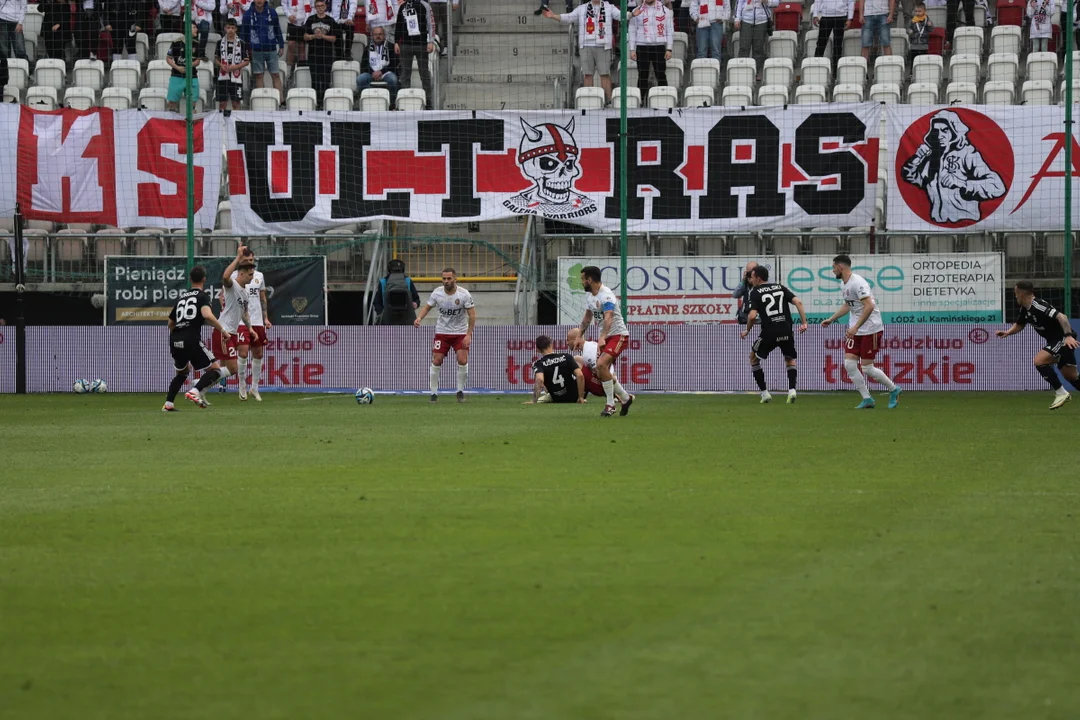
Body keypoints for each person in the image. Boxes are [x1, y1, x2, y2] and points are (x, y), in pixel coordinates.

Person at [820, 254, 902, 409]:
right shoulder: (844, 284)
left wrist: (856, 326)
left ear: (840, 267)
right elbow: (848, 305)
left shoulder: (857, 282)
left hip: (871, 329)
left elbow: (869, 306)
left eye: (833, 267)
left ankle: (894, 389)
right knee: (849, 364)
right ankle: (867, 399)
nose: (832, 271)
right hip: (855, 329)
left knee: (867, 368)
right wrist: (832, 319)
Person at [997, 281, 1078, 409]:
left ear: (1021, 294)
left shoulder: (1038, 306)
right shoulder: (1025, 309)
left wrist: (1067, 336)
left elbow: (1062, 317)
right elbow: (1020, 324)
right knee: (1072, 377)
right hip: (1055, 341)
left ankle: (1061, 393)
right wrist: (1008, 332)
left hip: (1062, 339)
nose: (1015, 296)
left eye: (1016, 293)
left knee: (1039, 360)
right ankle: (1062, 392)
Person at [163, 264, 233, 411]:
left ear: (190, 279)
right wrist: (223, 330)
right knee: (216, 370)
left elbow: (170, 323)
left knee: (182, 372)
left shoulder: (181, 298)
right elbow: (207, 315)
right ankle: (195, 391)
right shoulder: (202, 296)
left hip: (174, 339)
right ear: (204, 279)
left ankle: (169, 403)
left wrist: (181, 331)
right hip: (190, 339)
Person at [740, 265, 808, 404]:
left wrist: (747, 330)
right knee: (789, 359)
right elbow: (798, 302)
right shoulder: (780, 287)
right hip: (786, 330)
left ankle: (765, 394)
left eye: (752, 277)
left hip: (769, 332)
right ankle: (792, 391)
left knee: (753, 358)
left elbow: (752, 316)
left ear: (758, 278)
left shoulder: (755, 291)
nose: (751, 280)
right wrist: (804, 323)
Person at [573, 265, 633, 417]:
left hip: (618, 335)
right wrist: (580, 335)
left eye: (582, 279)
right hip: (606, 336)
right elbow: (587, 317)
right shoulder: (590, 296)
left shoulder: (606, 295)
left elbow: (609, 317)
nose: (581, 282)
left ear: (590, 279)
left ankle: (610, 405)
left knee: (601, 365)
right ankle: (625, 398)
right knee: (601, 370)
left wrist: (602, 337)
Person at [413, 267, 475, 403]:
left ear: (455, 279)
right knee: (436, 360)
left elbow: (472, 315)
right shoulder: (437, 293)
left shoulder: (464, 294)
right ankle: (433, 394)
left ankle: (460, 391)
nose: (446, 281)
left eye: (449, 278)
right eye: (444, 279)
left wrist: (468, 334)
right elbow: (427, 307)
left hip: (460, 333)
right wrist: (419, 318)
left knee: (462, 360)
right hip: (442, 332)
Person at [543, 0, 622, 104]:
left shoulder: (609, 7)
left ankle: (610, 103)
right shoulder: (582, 8)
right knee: (588, 74)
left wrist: (633, 13)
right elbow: (569, 17)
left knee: (604, 74)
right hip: (586, 45)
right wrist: (553, 16)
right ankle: (590, 102)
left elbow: (621, 16)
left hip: (603, 45)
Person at [212, 249, 255, 398]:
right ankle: (200, 383)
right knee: (232, 368)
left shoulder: (245, 292)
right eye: (250, 274)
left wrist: (250, 328)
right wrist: (237, 258)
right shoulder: (231, 286)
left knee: (232, 368)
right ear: (241, 274)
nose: (252, 277)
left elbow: (244, 313)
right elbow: (225, 276)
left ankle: (200, 385)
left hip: (232, 331)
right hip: (223, 330)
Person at [566, 327, 634, 410]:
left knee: (577, 365)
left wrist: (613, 391)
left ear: (575, 339)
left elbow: (604, 372)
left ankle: (614, 400)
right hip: (608, 381)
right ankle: (624, 397)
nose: (567, 343)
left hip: (604, 385)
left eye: (568, 339)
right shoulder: (590, 346)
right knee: (577, 359)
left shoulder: (588, 352)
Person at [234, 249, 271, 401]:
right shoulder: (234, 275)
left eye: (251, 261)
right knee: (242, 353)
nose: (250, 263)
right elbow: (224, 297)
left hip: (257, 320)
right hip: (241, 320)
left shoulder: (259, 276)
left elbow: (262, 298)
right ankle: (241, 384)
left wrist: (266, 318)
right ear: (242, 260)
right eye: (247, 260)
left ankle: (254, 388)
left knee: (259, 354)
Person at [394, 0, 435, 109]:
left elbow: (431, 23)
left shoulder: (425, 5)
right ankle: (404, 100)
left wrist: (431, 41)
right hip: (405, 45)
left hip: (421, 45)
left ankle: (428, 100)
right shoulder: (402, 6)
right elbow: (398, 25)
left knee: (424, 73)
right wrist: (396, 42)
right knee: (405, 74)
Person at [629, 0, 673, 99]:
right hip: (642, 46)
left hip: (659, 46)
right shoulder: (636, 11)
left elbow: (670, 30)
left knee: (661, 74)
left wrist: (669, 48)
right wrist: (632, 49)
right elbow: (632, 31)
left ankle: (665, 99)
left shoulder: (664, 10)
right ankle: (640, 100)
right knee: (642, 75)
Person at [242, 0, 285, 100]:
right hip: (256, 50)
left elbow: (277, 29)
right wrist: (244, 51)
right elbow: (244, 35)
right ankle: (261, 102)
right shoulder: (247, 15)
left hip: (271, 49)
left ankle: (281, 101)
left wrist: (281, 45)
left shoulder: (272, 12)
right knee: (259, 76)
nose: (259, 1)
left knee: (275, 75)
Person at [530, 335, 587, 404]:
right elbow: (580, 375)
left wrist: (534, 401)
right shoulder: (566, 356)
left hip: (558, 398)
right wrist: (580, 397)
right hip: (574, 396)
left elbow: (539, 380)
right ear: (551, 345)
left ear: (537, 350)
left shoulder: (538, 364)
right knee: (580, 361)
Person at [304, 0, 339, 106]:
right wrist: (314, 36)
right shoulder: (310, 19)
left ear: (325, 6)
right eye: (317, 6)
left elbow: (334, 39)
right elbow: (305, 37)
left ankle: (325, 103)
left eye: (321, 5)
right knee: (314, 80)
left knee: (325, 81)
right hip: (313, 55)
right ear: (315, 7)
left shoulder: (331, 20)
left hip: (327, 55)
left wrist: (322, 36)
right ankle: (315, 103)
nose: (319, 8)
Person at [357, 26, 400, 104]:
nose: (378, 36)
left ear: (384, 35)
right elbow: (364, 64)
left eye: (380, 34)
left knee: (393, 80)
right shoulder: (367, 48)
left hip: (386, 72)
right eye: (375, 34)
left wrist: (381, 72)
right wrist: (372, 72)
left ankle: (392, 105)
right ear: (372, 36)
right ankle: (372, 100)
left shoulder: (390, 47)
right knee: (360, 79)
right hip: (371, 73)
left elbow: (394, 64)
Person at [734, 0, 776, 78]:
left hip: (762, 20)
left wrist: (767, 1)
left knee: (758, 48)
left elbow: (776, 2)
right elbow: (739, 3)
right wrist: (737, 18)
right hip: (746, 19)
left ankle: (756, 71)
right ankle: (742, 71)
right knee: (744, 47)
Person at [373, 257, 420, 325]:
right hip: (389, 319)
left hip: (405, 318)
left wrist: (415, 304)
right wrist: (381, 314)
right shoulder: (383, 282)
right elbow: (376, 302)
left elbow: (416, 299)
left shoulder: (408, 281)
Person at [166, 23, 201, 112]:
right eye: (194, 27)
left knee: (192, 103)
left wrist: (189, 66)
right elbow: (168, 58)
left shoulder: (197, 44)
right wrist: (177, 68)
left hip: (192, 76)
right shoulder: (176, 43)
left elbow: (197, 61)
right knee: (172, 102)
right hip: (176, 75)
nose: (196, 29)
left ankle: (191, 122)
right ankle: (172, 122)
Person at [216, 18, 249, 111]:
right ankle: (221, 123)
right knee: (222, 103)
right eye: (228, 27)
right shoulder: (219, 43)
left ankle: (236, 124)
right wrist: (221, 65)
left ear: (236, 29)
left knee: (236, 102)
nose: (230, 30)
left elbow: (247, 61)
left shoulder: (242, 43)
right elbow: (216, 59)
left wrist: (235, 67)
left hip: (236, 77)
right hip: (223, 76)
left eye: (232, 28)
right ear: (225, 29)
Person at [813, 0, 853, 69]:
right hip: (826, 16)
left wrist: (850, 19)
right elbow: (818, 1)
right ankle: (816, 67)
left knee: (838, 45)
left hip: (841, 16)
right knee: (821, 44)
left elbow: (850, 2)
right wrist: (815, 15)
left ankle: (836, 72)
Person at [284, 0, 311, 72]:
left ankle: (301, 69)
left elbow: (310, 5)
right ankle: (289, 70)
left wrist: (306, 20)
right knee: (291, 45)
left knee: (302, 46)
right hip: (292, 22)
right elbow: (284, 4)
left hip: (303, 21)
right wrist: (289, 15)